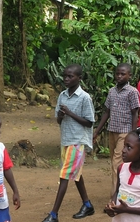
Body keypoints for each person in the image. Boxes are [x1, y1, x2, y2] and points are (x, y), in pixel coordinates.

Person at [42, 64, 95, 222]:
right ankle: (87, 205)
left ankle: (54, 214)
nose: (66, 78)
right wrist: (60, 115)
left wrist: (70, 113)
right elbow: (59, 120)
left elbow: (90, 122)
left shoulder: (85, 97)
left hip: (78, 141)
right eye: (64, 76)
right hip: (66, 139)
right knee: (75, 173)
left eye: (70, 76)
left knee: (64, 175)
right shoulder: (62, 96)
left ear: (79, 78)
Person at [94, 63, 140, 198]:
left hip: (125, 132)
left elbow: (135, 113)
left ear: (129, 75)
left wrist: (133, 134)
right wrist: (97, 131)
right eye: (117, 73)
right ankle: (124, 192)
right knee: (116, 163)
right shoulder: (111, 91)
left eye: (123, 74)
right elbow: (106, 112)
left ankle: (114, 197)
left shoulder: (132, 92)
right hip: (112, 130)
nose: (119, 76)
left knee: (117, 163)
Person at [104, 128, 140, 222]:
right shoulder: (121, 168)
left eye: (129, 147)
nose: (123, 150)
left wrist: (127, 210)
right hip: (119, 219)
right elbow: (117, 191)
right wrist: (112, 205)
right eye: (124, 146)